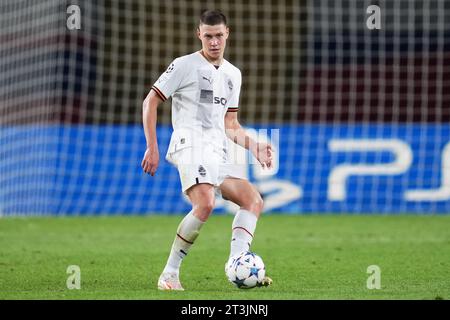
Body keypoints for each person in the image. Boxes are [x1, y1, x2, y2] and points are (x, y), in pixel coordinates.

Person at [141, 9, 273, 291]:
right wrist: (152, 146)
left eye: (219, 36)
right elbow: (150, 102)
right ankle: (169, 274)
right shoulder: (183, 65)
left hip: (217, 149)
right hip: (189, 144)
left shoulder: (232, 74)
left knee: (253, 200)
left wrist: (255, 146)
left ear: (228, 34)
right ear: (198, 34)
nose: (214, 42)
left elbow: (231, 123)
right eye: (208, 36)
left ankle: (238, 262)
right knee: (205, 204)